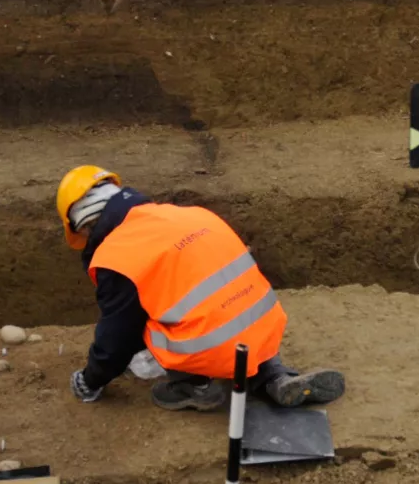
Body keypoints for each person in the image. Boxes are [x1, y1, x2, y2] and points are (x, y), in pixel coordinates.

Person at [56, 165, 346, 411]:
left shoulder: (117, 255)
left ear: (82, 225)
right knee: (228, 309)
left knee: (142, 316)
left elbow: (118, 336)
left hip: (208, 346)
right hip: (263, 325)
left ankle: (194, 385)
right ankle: (274, 376)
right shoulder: (189, 215)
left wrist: (90, 381)